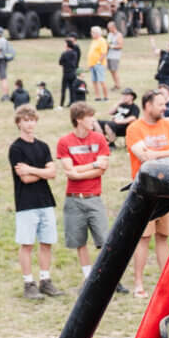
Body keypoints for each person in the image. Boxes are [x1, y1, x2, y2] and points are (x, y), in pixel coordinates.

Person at [124, 89, 169, 297]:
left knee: (163, 237)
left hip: (166, 190)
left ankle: (166, 283)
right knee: (143, 238)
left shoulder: (168, 125)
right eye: (160, 104)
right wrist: (163, 155)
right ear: (148, 106)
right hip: (144, 191)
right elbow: (142, 156)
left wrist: (155, 155)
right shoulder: (134, 128)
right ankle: (138, 283)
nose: (164, 108)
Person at [55, 102, 113, 284]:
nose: (93, 120)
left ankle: (109, 277)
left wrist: (82, 170)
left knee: (105, 240)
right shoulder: (64, 142)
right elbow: (69, 172)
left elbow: (101, 168)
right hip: (74, 199)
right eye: (90, 117)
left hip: (94, 197)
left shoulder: (99, 139)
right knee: (79, 241)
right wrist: (93, 164)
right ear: (79, 119)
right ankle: (89, 278)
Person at [9, 107, 60, 299]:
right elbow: (25, 179)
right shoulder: (16, 148)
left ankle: (45, 280)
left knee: (46, 242)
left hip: (45, 201)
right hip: (26, 203)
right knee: (27, 244)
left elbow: (53, 173)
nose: (30, 124)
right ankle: (28, 282)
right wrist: (42, 173)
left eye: (32, 120)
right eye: (26, 120)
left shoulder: (43, 146)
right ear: (19, 123)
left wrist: (31, 169)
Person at [57, 36, 82, 107]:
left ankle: (61, 104)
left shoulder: (64, 53)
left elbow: (60, 62)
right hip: (73, 73)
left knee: (63, 89)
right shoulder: (74, 53)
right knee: (72, 89)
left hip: (66, 73)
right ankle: (72, 102)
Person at [85, 26, 109, 97]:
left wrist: (99, 61)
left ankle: (105, 96)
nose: (91, 34)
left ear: (97, 33)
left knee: (101, 80)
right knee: (94, 81)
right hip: (92, 64)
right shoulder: (94, 41)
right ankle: (97, 96)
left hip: (99, 64)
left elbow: (104, 53)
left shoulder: (102, 41)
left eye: (92, 32)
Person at [106, 24, 124, 90]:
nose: (109, 29)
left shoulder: (119, 35)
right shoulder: (109, 35)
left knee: (115, 71)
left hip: (115, 56)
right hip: (109, 55)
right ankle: (115, 84)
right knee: (111, 71)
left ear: (114, 27)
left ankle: (118, 85)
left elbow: (121, 46)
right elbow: (108, 44)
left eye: (110, 28)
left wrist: (112, 46)